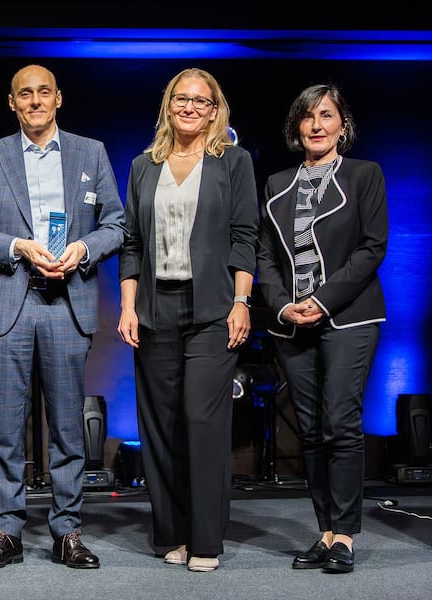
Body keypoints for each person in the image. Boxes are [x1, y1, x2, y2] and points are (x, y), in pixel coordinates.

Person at [0, 64, 125, 570]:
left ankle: (67, 530)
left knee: (68, 427)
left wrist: (83, 249)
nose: (34, 101)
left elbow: (116, 224)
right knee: (6, 428)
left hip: (66, 302)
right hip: (10, 301)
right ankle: (7, 529)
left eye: (42, 93)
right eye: (24, 94)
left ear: (58, 99)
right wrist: (17, 246)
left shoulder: (90, 152)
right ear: (12, 103)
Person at [116, 67, 259, 573]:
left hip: (212, 309)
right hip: (155, 308)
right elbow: (131, 243)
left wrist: (242, 301)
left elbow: (246, 236)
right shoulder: (142, 166)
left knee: (202, 421)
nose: (191, 108)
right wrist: (128, 306)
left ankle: (206, 540)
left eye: (202, 101)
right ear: (168, 105)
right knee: (159, 426)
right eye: (183, 99)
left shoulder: (233, 162)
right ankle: (171, 533)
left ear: (216, 109)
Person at [257, 83, 386, 574]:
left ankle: (346, 536)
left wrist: (321, 300)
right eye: (307, 117)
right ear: (296, 128)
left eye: (326, 115)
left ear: (342, 125)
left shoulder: (364, 175)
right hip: (293, 323)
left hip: (349, 315)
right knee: (310, 432)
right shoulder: (276, 185)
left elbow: (371, 249)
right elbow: (264, 255)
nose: (316, 125)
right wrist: (282, 306)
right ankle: (325, 532)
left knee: (340, 423)